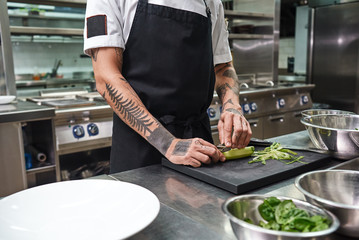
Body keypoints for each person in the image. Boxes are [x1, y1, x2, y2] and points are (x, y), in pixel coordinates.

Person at [84, 0, 252, 173]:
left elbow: (223, 66)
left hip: (199, 144)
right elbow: (106, 77)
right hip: (140, 148)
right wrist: (169, 144)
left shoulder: (211, 2)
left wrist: (232, 106)